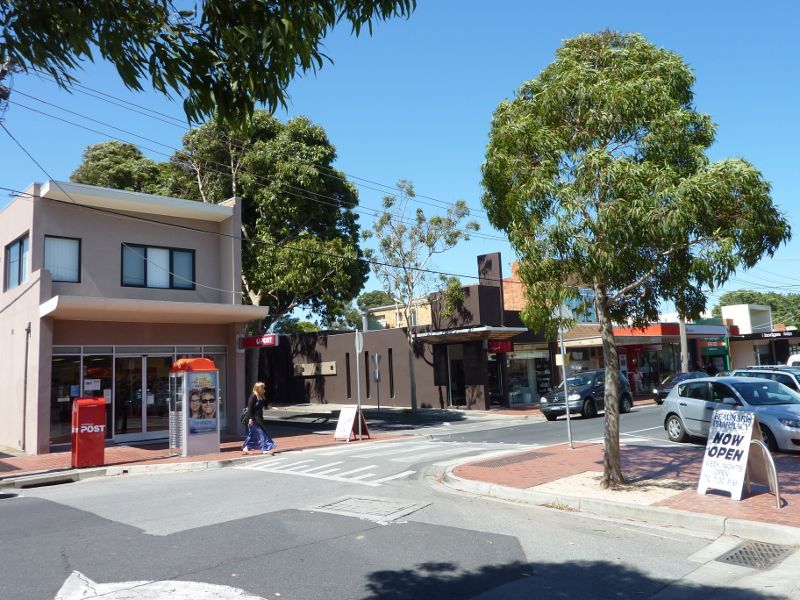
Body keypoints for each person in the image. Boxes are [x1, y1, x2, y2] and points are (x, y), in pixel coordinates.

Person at [242, 381, 276, 455]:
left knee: (253, 434)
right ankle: (265, 449)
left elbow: (266, 406)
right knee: (261, 434)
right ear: (258, 388)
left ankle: (246, 448)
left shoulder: (262, 396)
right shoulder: (253, 396)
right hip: (253, 419)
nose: (264, 389)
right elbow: (250, 408)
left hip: (259, 418)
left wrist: (273, 408)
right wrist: (250, 419)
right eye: (262, 388)